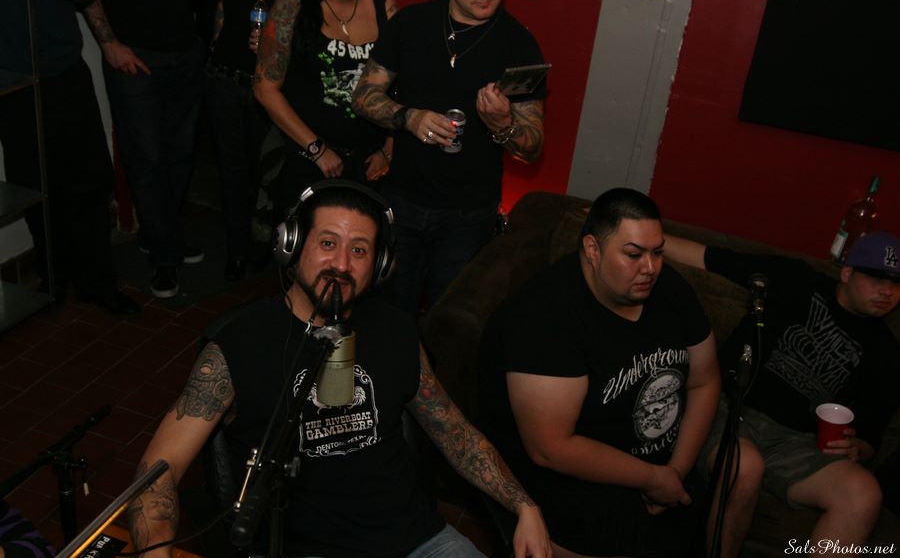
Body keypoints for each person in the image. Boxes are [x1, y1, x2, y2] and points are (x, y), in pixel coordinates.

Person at [126, 180, 552, 558]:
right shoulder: (237, 347)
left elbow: (454, 432)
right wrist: (155, 550)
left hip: (419, 541)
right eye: (328, 243)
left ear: (379, 266)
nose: (343, 264)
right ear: (291, 245)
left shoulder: (396, 330)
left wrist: (524, 506)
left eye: (360, 250)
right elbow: (159, 470)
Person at [479, 188, 720, 558]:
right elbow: (551, 448)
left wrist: (675, 471)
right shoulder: (544, 317)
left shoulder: (670, 290)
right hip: (574, 480)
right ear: (592, 249)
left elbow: (705, 381)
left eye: (658, 252)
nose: (651, 267)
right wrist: (653, 478)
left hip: (661, 470)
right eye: (634, 254)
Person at [663, 230, 900, 557]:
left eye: (896, 284)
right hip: (733, 408)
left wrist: (857, 446)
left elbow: (871, 434)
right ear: (847, 273)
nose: (887, 291)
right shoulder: (798, 280)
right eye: (876, 279)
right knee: (744, 466)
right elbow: (708, 257)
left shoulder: (888, 354)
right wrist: (638, 237)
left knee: (863, 495)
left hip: (798, 441)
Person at [351, 0, 545, 315]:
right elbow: (363, 95)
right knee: (388, 313)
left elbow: (532, 147)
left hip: (469, 215)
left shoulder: (519, 44)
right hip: (403, 199)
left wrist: (503, 124)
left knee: (446, 319)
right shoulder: (411, 23)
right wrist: (408, 117)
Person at [0, 0, 140, 317]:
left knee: (91, 181)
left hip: (65, 74)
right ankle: (52, 280)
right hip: (13, 85)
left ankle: (99, 283)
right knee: (33, 186)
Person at [83, 0, 214, 299]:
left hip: (185, 50)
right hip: (133, 55)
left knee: (180, 155)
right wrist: (108, 43)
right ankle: (165, 255)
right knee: (147, 159)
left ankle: (159, 235)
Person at [253, 0, 396, 218]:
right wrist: (316, 150)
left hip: (368, 159)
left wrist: (388, 149)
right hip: (308, 156)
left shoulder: (384, 4)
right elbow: (265, 88)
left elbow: (404, 83)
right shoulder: (293, 4)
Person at [206, 0, 296, 281]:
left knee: (269, 170)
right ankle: (237, 250)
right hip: (225, 81)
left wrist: (277, 44)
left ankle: (263, 243)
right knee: (232, 170)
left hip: (271, 91)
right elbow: (222, 8)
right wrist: (215, 47)